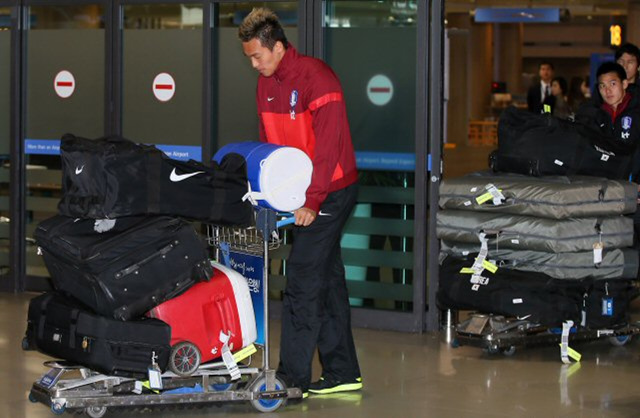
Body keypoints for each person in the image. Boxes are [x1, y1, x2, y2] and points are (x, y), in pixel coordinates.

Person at [238, 8, 362, 397]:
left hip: (331, 191)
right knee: (326, 280)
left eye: (258, 55)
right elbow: (269, 145)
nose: (254, 64)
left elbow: (329, 147)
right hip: (301, 194)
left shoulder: (316, 77)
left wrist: (312, 200)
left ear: (277, 46)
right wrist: (268, 194)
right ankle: (343, 371)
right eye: (250, 58)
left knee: (303, 282)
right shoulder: (265, 86)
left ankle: (291, 380)